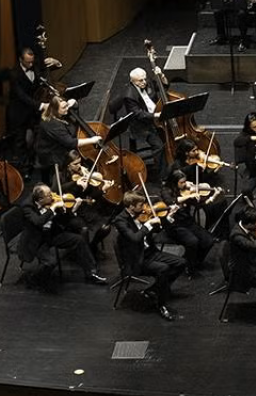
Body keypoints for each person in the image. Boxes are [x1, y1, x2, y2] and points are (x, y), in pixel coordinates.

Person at [19, 183, 108, 290]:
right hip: (37, 239)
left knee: (78, 240)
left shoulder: (52, 202)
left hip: (52, 234)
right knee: (50, 262)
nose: (52, 196)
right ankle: (33, 279)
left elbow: (64, 220)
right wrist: (53, 208)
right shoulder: (27, 206)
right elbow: (38, 222)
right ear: (40, 199)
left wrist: (72, 209)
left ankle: (91, 273)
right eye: (49, 195)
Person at [114, 192, 185, 320]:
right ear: (131, 206)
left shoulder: (142, 215)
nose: (144, 208)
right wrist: (148, 225)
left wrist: (168, 217)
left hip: (150, 252)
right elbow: (135, 238)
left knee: (181, 262)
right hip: (136, 259)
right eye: (141, 205)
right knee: (163, 269)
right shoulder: (120, 220)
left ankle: (154, 290)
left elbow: (157, 231)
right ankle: (161, 304)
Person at [107, 67, 166, 180]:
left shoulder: (146, 83)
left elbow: (163, 88)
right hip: (140, 125)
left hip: (154, 118)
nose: (144, 82)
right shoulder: (129, 95)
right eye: (140, 81)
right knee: (159, 146)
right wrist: (155, 116)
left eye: (145, 79)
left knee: (167, 139)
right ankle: (163, 177)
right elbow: (138, 114)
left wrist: (162, 77)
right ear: (132, 81)